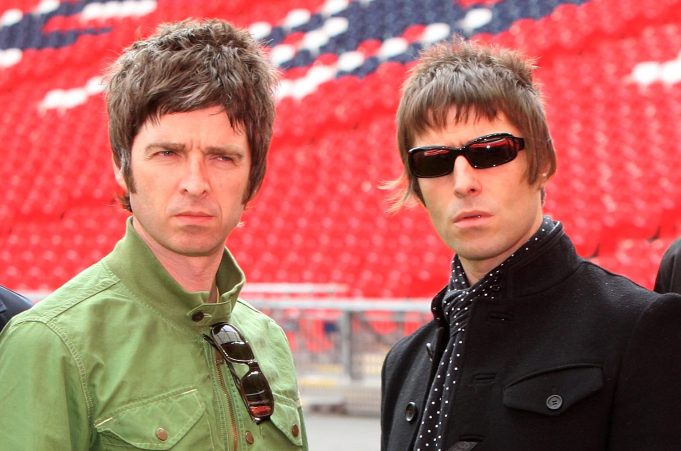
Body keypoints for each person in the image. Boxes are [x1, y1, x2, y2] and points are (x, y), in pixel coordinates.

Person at [0, 19, 307, 450]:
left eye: (222, 157)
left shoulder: (268, 340)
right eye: (168, 153)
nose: (195, 182)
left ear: (253, 178)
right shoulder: (50, 345)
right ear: (122, 166)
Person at [380, 38, 681, 451]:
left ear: (542, 163)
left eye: (491, 151)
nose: (464, 182)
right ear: (417, 186)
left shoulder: (640, 328)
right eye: (433, 161)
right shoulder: (402, 362)